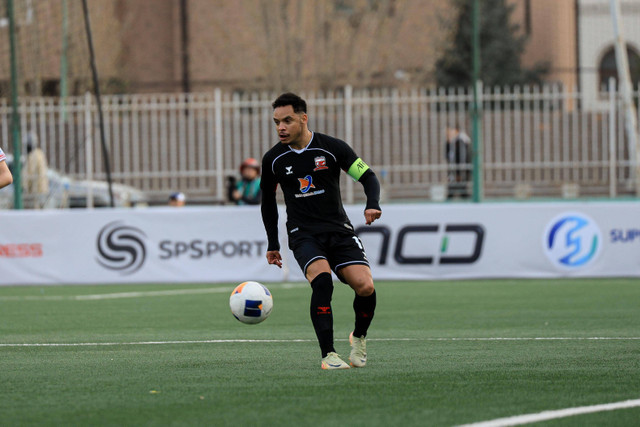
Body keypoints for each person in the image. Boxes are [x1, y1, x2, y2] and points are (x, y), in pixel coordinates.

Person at [261, 93, 382, 370]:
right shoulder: (273, 160)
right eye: (277, 122)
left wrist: (372, 204)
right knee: (323, 281)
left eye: (287, 120)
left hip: (339, 231)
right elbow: (267, 202)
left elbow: (368, 176)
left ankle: (359, 337)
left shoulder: (332, 148)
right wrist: (272, 243)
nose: (281, 127)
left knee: (365, 286)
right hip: (303, 234)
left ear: (303, 118)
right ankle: (328, 354)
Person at [23, 133, 50, 208]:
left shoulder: (32, 155)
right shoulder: (40, 153)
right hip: (44, 189)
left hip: (36, 191)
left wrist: (24, 186)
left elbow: (29, 174)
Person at [445, 125, 471, 199]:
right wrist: (448, 142)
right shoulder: (452, 141)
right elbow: (447, 155)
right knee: (458, 188)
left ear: (456, 131)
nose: (448, 133)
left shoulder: (461, 140)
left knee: (458, 187)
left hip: (459, 168)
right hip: (454, 168)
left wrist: (458, 171)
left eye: (450, 131)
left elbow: (461, 157)